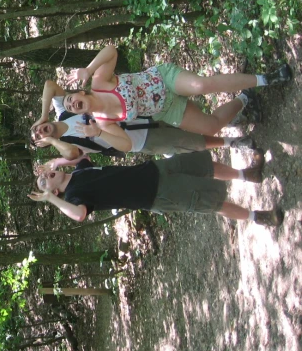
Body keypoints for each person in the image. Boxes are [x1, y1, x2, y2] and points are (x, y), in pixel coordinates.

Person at [32, 46, 291, 142]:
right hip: (165, 109)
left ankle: (266, 79)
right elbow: (126, 145)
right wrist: (99, 133)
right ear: (80, 112)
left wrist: (88, 69)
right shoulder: (102, 121)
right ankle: (245, 98)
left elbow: (112, 51)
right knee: (210, 127)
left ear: (78, 91)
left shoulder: (99, 81)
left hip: (163, 80)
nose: (72, 103)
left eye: (69, 98)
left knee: (201, 86)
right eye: (70, 106)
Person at [28, 151, 284, 227]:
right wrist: (51, 199)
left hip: (154, 169)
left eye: (46, 174)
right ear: (54, 191)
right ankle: (258, 217)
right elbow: (79, 215)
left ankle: (247, 174)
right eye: (44, 181)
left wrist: (61, 161)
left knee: (202, 164)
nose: (47, 176)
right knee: (209, 201)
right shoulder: (72, 197)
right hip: (154, 194)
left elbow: (81, 154)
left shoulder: (79, 171)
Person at [30, 81, 256, 159]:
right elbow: (71, 154)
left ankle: (241, 106)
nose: (42, 131)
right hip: (141, 139)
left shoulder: (63, 110)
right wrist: (51, 141)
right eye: (39, 137)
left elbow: (50, 85)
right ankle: (232, 142)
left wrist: (42, 115)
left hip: (142, 112)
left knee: (195, 118)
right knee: (193, 142)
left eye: (38, 129)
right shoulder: (66, 145)